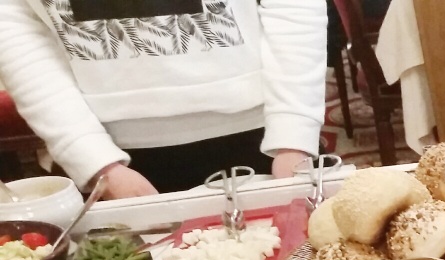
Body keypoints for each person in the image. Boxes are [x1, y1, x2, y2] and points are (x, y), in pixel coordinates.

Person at [0, 0, 328, 197]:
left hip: (262, 134)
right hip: (110, 154)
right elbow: (14, 23)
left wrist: (294, 134)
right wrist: (89, 156)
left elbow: (292, 5)